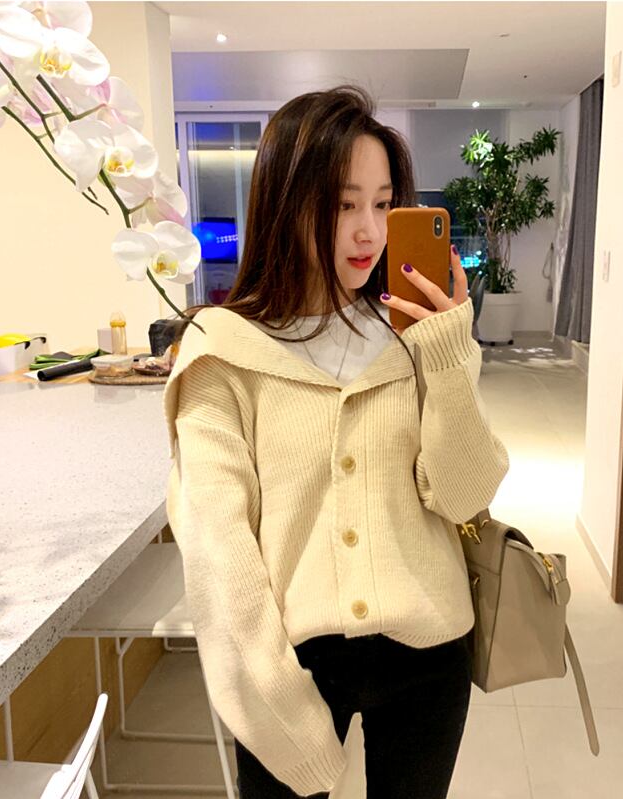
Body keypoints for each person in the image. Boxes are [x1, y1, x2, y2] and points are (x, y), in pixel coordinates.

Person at [163, 84, 510, 799]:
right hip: (292, 665)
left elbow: (465, 494)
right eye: (343, 204)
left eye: (383, 205)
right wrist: (283, 718)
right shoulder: (220, 351)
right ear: (284, 202)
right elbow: (220, 552)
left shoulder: (415, 338)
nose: (368, 232)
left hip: (430, 653)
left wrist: (449, 355)